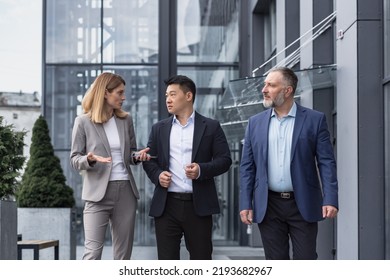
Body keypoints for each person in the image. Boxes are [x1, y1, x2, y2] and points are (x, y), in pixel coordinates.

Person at [239, 67, 338, 260]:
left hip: (303, 202)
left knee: (306, 260)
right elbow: (247, 167)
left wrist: (330, 198)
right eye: (265, 84)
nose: (264, 89)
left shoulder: (314, 120)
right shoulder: (255, 123)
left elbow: (326, 162)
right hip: (269, 205)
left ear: (287, 90)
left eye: (271, 85)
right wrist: (245, 203)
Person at [142, 75, 232, 260]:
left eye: (173, 94)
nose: (168, 99)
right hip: (167, 205)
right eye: (167, 95)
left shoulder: (211, 127)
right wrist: (158, 175)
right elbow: (149, 159)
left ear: (188, 96)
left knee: (201, 259)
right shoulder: (159, 128)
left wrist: (201, 170)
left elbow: (225, 160)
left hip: (198, 206)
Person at [70, 72, 150, 260]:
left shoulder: (125, 120)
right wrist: (89, 159)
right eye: (119, 93)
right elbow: (74, 159)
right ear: (105, 93)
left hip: (125, 192)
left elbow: (130, 154)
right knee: (92, 254)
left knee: (123, 255)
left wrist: (138, 156)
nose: (124, 97)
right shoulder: (83, 122)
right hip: (97, 195)